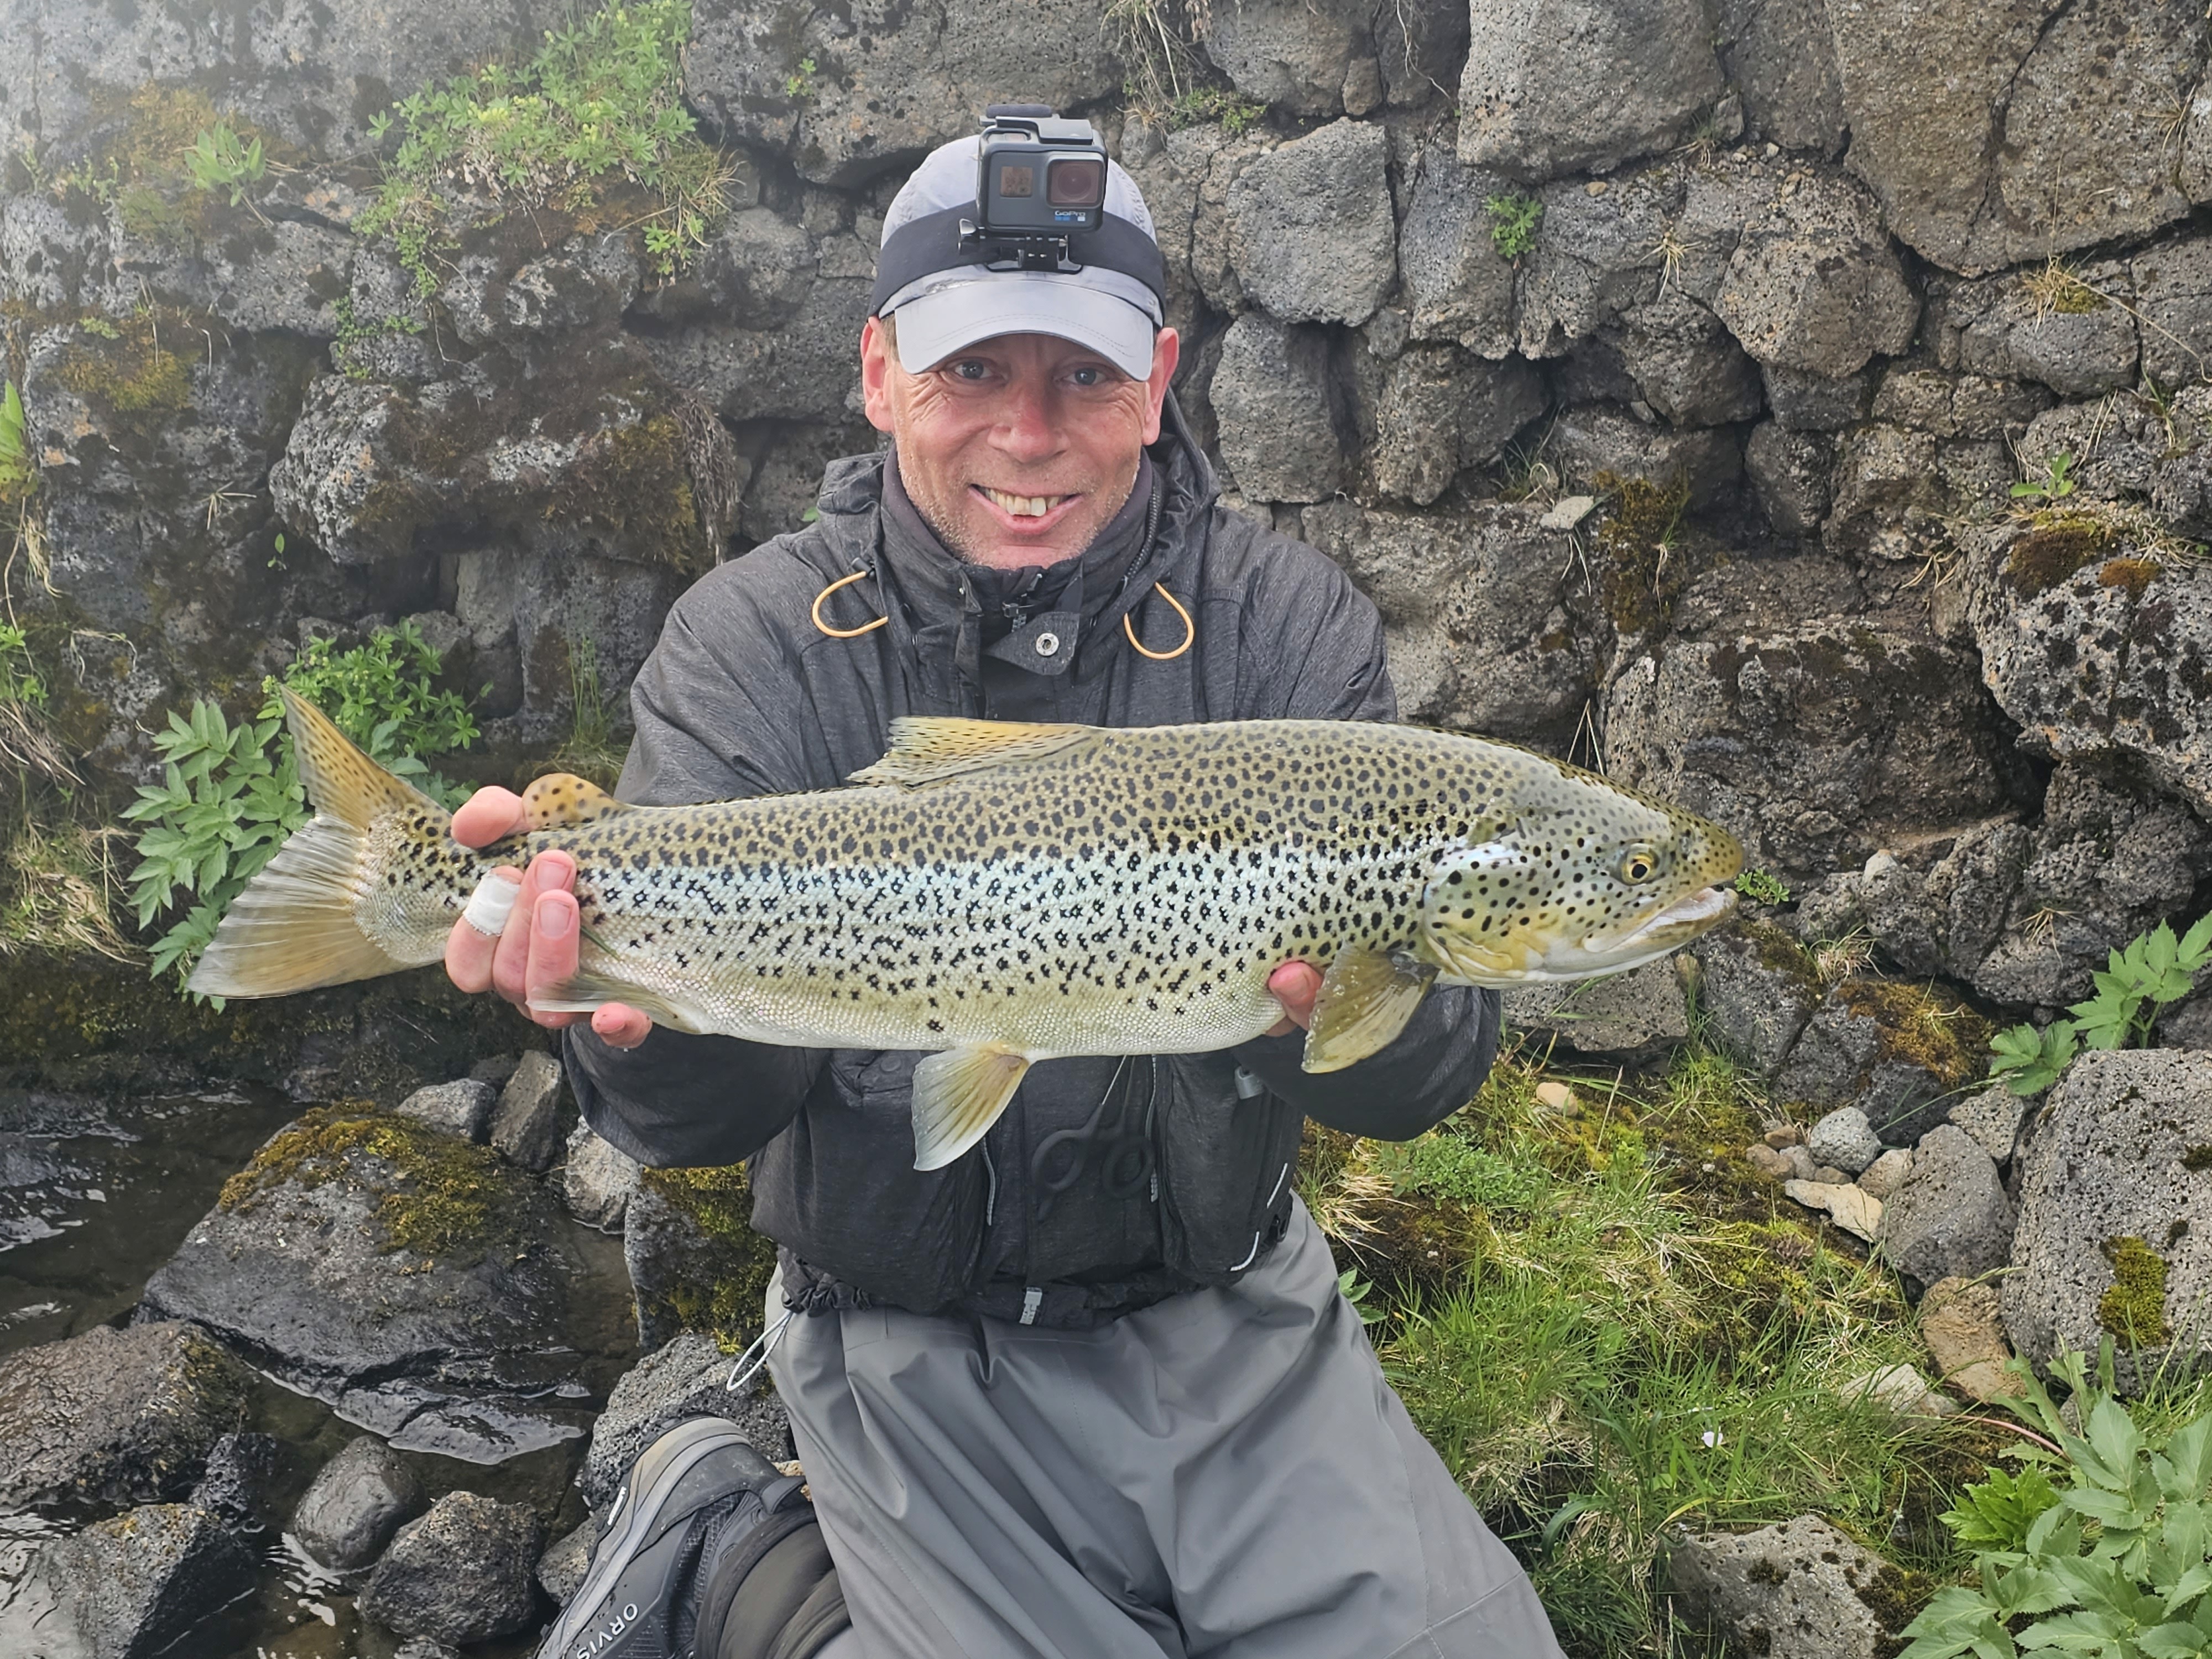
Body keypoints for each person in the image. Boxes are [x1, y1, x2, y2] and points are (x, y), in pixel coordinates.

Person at [447, 116, 1565, 1659]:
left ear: (1159, 382)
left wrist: (1325, 1009)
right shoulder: (751, 645)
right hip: (907, 1349)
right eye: (975, 372)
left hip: (1243, 1331)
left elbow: (1423, 1084)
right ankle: (745, 1568)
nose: (1029, 436)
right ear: (880, 372)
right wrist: (634, 1019)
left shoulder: (1285, 628)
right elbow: (689, 1129)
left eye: (1085, 378)